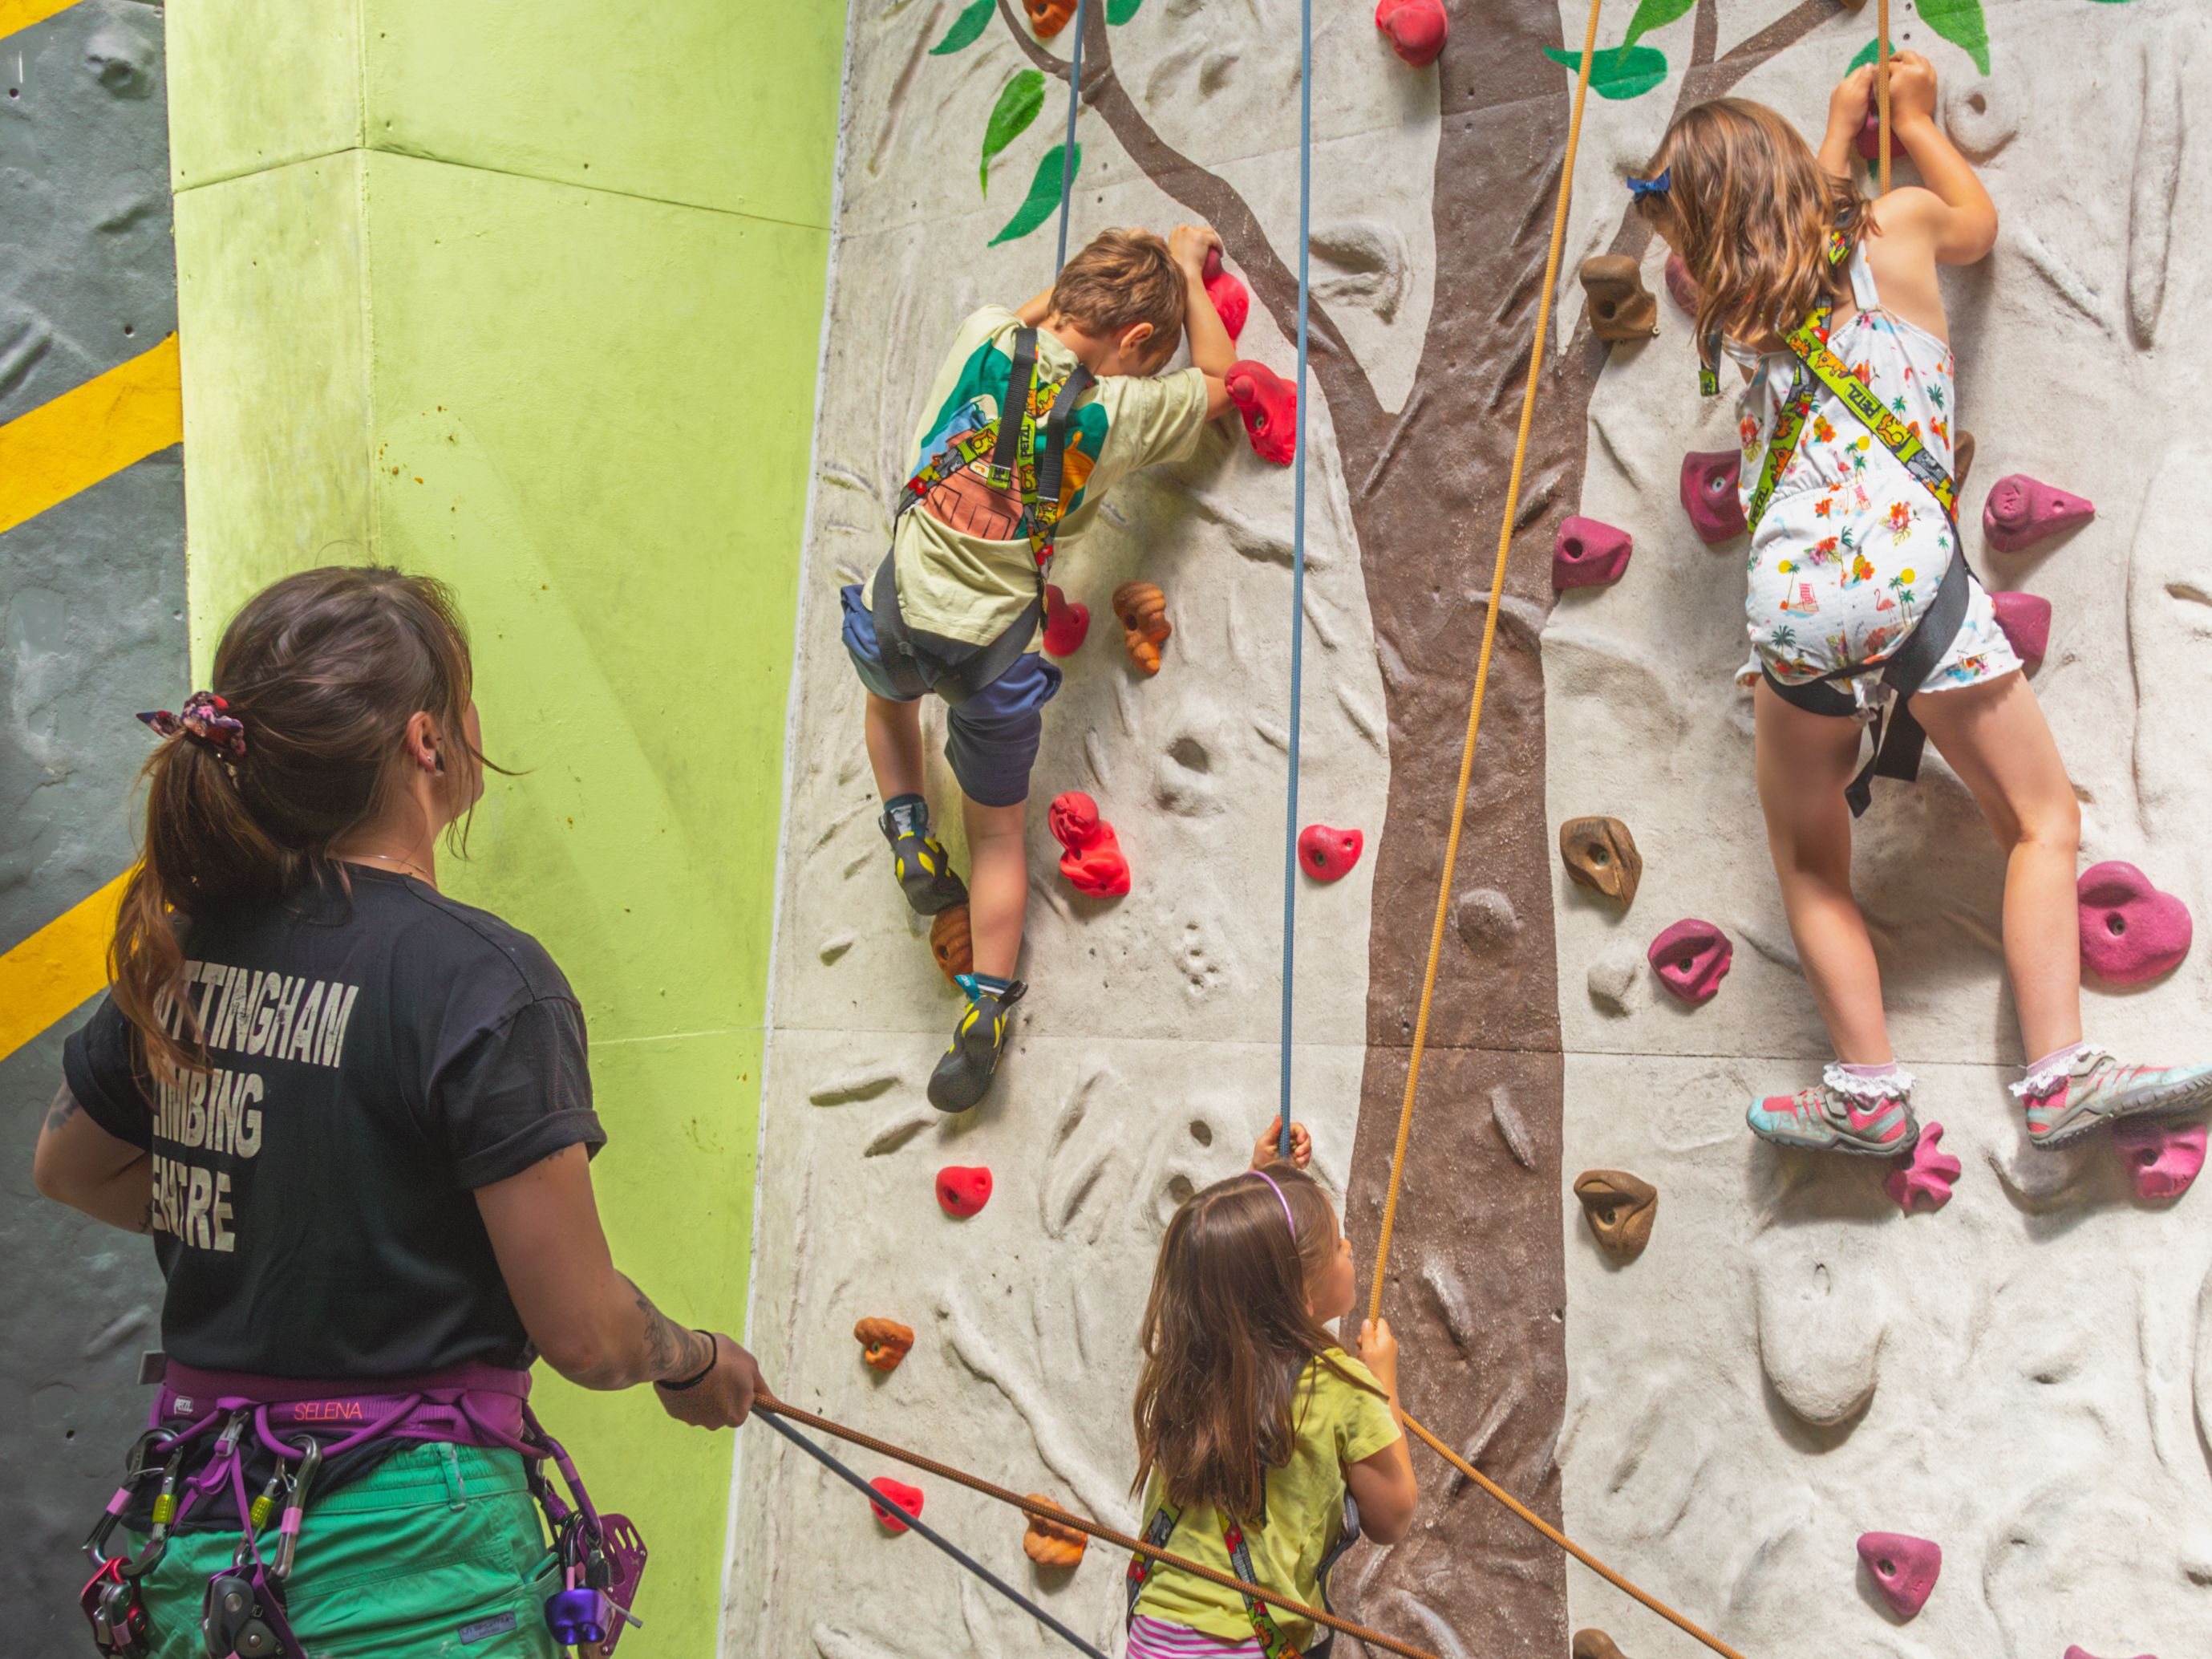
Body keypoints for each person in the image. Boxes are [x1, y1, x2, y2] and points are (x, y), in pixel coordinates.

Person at [33, 566, 764, 1656]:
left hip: (202, 1554)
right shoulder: (480, 979)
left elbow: (71, 1166)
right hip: (416, 1580)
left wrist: (293, 1213)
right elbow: (585, 1336)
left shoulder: (187, 948)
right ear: (432, 742)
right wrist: (694, 1357)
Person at [1629, 59, 2212, 1156]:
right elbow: (1976, 227)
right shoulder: (1893, 231)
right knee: (2039, 824)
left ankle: (1864, 1095)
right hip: (1907, 582)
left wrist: (1839, 129)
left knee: (1808, 863)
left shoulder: (1730, 307)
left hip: (1795, 607)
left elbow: (1771, 231)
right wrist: (1910, 124)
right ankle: (2056, 1079)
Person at [843, 225, 1239, 1113]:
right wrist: (1183, 269)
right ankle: (982, 1019)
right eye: (1143, 356)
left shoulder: (983, 332)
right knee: (992, 837)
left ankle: (907, 827)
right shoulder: (1119, 414)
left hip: (895, 613)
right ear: (1136, 343)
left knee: (888, 709)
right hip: (987, 658)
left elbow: (1035, 318)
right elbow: (1221, 380)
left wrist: (1090, 281)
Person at [1124, 1118, 1417, 1657]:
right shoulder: (1341, 1384)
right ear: (1297, 1288)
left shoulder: (1194, 1355)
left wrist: (1265, 1182)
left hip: (1154, 1631)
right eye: (1334, 1247)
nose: (1348, 1248)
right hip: (1243, 1645)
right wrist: (1383, 1381)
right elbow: (1392, 1516)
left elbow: (1227, 1269)